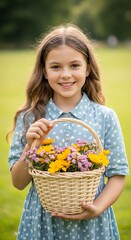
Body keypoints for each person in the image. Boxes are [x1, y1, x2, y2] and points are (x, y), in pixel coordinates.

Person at [7, 23, 129, 240]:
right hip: (42, 221)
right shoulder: (29, 118)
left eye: (74, 65)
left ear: (88, 68)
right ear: (44, 70)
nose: (65, 75)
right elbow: (18, 183)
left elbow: (118, 174)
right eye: (55, 67)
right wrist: (30, 145)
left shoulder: (104, 117)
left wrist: (98, 207)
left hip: (92, 225)